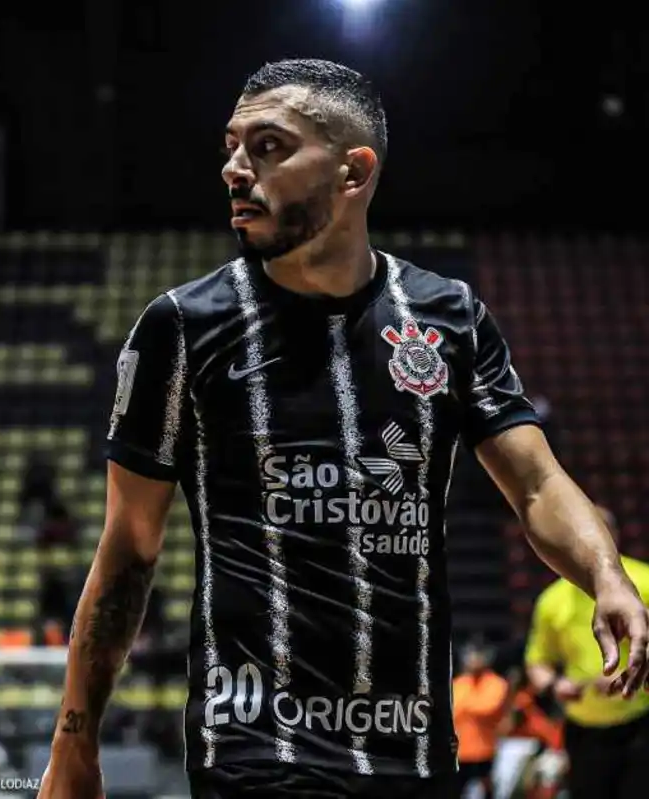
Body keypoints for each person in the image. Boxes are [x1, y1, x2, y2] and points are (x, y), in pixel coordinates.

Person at [37, 59, 649, 799]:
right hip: (252, 746)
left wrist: (606, 574)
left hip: (413, 750)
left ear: (354, 172)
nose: (235, 168)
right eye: (231, 146)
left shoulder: (447, 319)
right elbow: (128, 551)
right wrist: (75, 740)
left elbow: (538, 483)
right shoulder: (182, 329)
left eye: (268, 146)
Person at [524, 507, 649, 799]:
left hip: (640, 722)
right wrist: (556, 685)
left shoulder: (644, 581)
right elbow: (537, 661)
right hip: (582, 729)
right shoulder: (551, 599)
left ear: (613, 538)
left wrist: (633, 668)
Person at [452, 641, 507, 798]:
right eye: (471, 655)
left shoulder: (496, 683)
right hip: (458, 752)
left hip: (485, 750)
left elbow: (488, 708)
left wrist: (464, 706)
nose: (474, 659)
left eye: (478, 655)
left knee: (487, 791)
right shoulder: (458, 683)